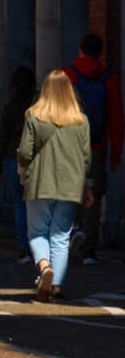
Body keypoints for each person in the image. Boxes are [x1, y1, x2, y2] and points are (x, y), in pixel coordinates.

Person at [18, 70, 92, 302]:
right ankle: (57, 286)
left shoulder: (33, 115)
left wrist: (23, 172)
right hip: (70, 185)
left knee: (38, 232)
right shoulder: (81, 120)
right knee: (61, 236)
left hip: (41, 182)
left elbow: (24, 152)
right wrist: (87, 186)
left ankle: (44, 267)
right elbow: (86, 157)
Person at [62, 34, 122, 265]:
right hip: (95, 145)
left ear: (80, 49)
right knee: (94, 197)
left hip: (69, 144)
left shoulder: (66, 75)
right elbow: (116, 118)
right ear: (100, 52)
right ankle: (89, 250)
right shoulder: (108, 79)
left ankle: (72, 231)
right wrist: (115, 153)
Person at [0, 66, 38, 261]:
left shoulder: (9, 108)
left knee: (20, 204)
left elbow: (1, 139)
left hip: (14, 158)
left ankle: (23, 248)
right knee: (37, 205)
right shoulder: (38, 106)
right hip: (36, 158)